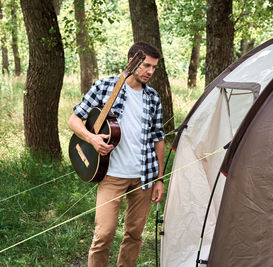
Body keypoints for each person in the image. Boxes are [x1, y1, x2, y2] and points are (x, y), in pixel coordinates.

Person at [67, 42, 165, 267]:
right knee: (103, 235)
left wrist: (159, 178)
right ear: (132, 62)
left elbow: (158, 138)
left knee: (134, 235)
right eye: (146, 65)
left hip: (144, 177)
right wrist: (92, 138)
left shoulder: (153, 98)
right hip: (111, 174)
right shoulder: (105, 87)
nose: (150, 71)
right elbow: (74, 119)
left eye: (154, 67)